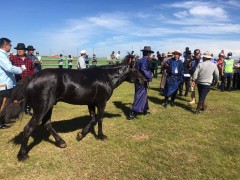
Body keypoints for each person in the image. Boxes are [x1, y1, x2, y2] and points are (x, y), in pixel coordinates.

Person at [0, 38, 25, 128]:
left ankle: (2, 122)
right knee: (2, 104)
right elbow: (9, 68)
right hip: (4, 85)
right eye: (10, 45)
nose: (10, 47)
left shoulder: (4, 55)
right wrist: (20, 69)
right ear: (5, 45)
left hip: (6, 84)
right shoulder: (1, 55)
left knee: (4, 104)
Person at [128, 46, 154, 120]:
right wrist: (149, 75)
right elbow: (143, 69)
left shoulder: (140, 60)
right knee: (139, 95)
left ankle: (145, 109)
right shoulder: (145, 60)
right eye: (150, 54)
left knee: (144, 94)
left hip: (139, 80)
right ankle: (132, 112)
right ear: (148, 54)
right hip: (141, 81)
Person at [10, 43, 34, 115]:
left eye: (21, 50)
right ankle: (15, 111)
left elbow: (32, 69)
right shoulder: (12, 58)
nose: (19, 51)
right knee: (17, 96)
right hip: (17, 80)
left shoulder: (29, 60)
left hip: (27, 80)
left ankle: (27, 109)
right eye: (18, 50)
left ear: (24, 51)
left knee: (28, 95)